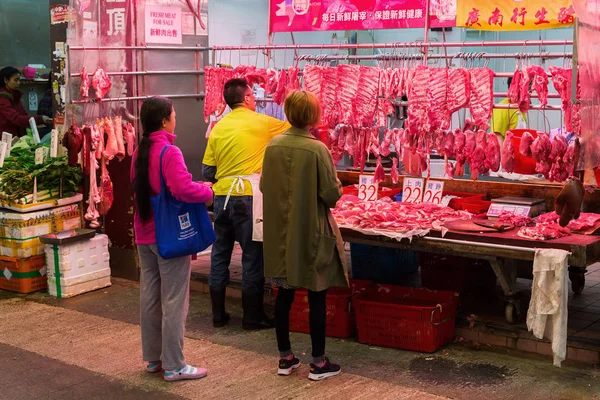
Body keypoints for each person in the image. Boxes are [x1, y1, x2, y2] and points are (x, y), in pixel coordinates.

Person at [261, 90, 348, 381]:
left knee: (283, 294)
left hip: (281, 233)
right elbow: (331, 194)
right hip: (310, 232)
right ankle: (319, 363)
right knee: (317, 295)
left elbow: (264, 186)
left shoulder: (273, 145)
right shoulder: (317, 149)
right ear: (313, 116)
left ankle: (285, 358)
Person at [131, 97, 214, 382]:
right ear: (165, 120)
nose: (176, 119)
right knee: (174, 300)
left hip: (144, 235)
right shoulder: (169, 151)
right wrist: (208, 192)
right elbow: (182, 190)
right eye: (174, 115)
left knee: (151, 298)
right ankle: (176, 365)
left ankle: (154, 359)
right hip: (169, 237)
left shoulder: (139, 151)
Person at [202, 78, 290, 330]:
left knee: (220, 255)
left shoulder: (219, 127)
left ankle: (218, 315)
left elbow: (208, 171)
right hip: (248, 197)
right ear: (249, 98)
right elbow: (295, 129)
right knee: (252, 256)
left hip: (221, 198)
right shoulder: (260, 121)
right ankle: (252, 317)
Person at [0, 67, 52, 136]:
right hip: (6, 138)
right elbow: (16, 118)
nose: (18, 83)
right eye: (15, 80)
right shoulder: (2, 98)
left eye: (19, 80)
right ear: (6, 80)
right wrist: (40, 119)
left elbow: (23, 114)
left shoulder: (15, 95)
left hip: (17, 136)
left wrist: (34, 123)